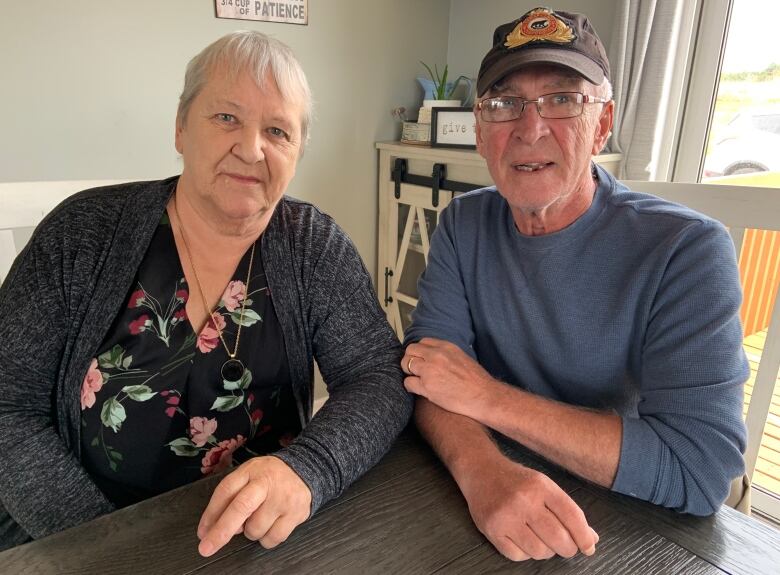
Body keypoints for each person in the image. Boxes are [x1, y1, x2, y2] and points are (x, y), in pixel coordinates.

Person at [0, 31, 412, 554]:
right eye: (226, 118)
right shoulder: (81, 232)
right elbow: (8, 407)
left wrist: (308, 470)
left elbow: (378, 374)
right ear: (180, 127)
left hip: (253, 538)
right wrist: (106, 545)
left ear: (298, 151)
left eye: (278, 131)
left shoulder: (312, 245)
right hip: (75, 534)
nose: (251, 148)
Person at [402, 6, 748, 563]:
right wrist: (484, 473)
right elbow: (430, 375)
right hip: (493, 492)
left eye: (563, 100)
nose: (530, 128)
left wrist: (485, 396)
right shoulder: (462, 224)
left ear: (602, 124)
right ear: (481, 132)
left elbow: (698, 469)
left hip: (632, 519)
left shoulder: (687, 249)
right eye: (505, 104)